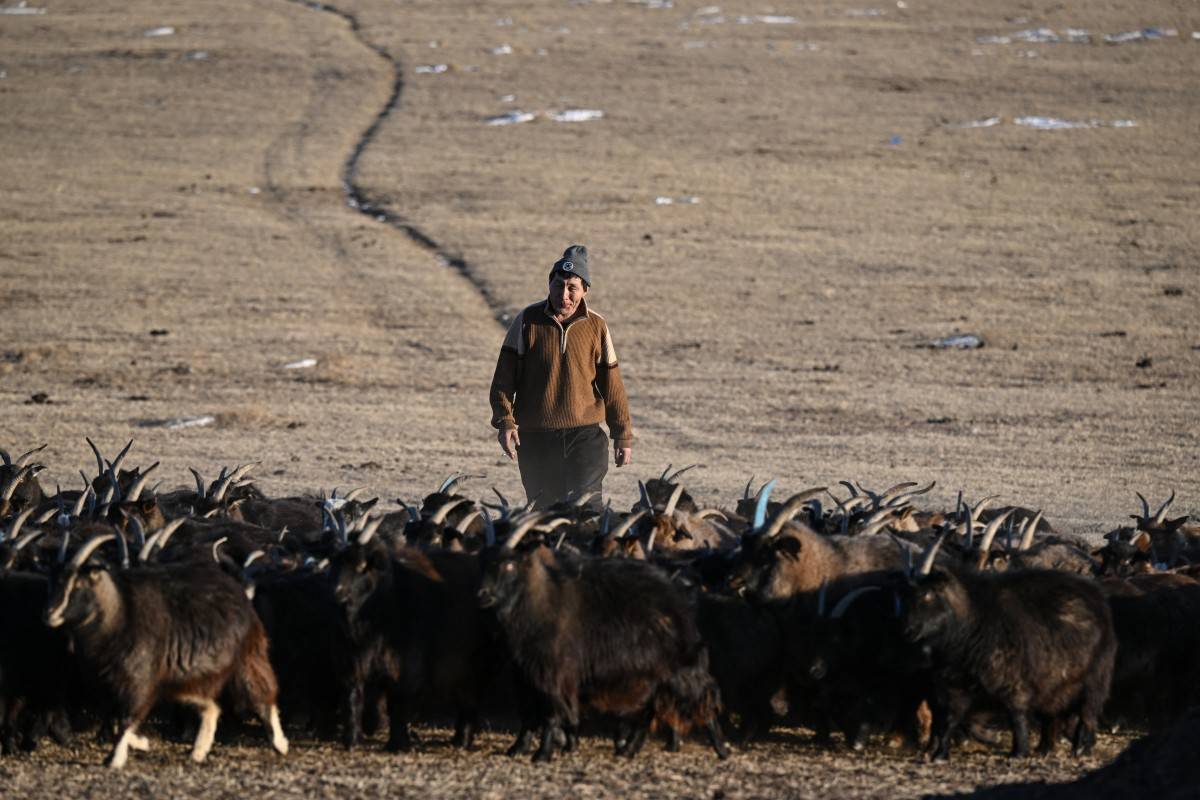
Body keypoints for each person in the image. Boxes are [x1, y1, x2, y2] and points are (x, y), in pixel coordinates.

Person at [489, 244, 634, 509]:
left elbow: (612, 386)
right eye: (558, 285)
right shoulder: (526, 321)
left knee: (587, 509)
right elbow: (503, 381)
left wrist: (622, 435)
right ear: (549, 284)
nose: (564, 295)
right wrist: (505, 422)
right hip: (536, 438)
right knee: (544, 512)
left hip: (585, 437)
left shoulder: (596, 326)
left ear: (585, 290)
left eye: (572, 288)